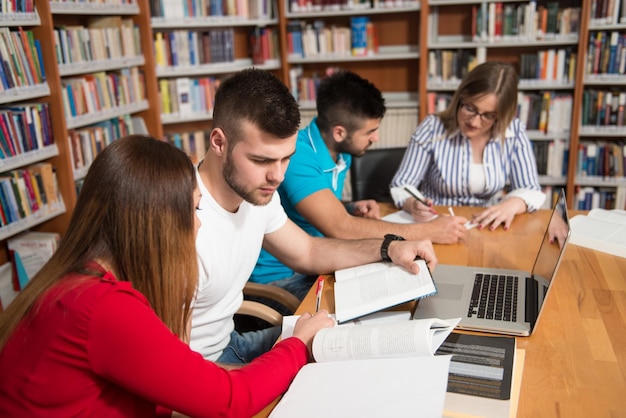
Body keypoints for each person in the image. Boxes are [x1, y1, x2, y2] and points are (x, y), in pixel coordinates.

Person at [0, 135, 335, 417]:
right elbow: (231, 401)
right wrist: (297, 344)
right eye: (193, 209)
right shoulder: (102, 308)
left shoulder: (77, 282)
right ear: (156, 224)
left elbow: (179, 373)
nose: (199, 223)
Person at [190, 68, 438, 364]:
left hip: (231, 342)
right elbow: (174, 373)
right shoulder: (182, 221)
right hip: (205, 365)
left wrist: (390, 247)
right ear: (219, 143)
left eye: (286, 158)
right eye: (262, 160)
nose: (278, 176)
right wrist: (292, 349)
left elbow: (307, 250)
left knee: (373, 339)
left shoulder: (256, 193)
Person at [250, 70, 464, 299]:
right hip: (280, 278)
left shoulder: (342, 152)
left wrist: (348, 206)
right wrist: (430, 231)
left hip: (317, 260)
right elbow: (340, 227)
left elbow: (314, 207)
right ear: (340, 132)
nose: (376, 138)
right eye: (370, 131)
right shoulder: (298, 155)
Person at [390, 61, 546, 231]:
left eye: (488, 115)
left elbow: (531, 189)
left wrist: (511, 204)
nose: (474, 122)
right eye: (470, 108)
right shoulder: (432, 127)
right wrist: (414, 204)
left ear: (501, 115)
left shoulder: (513, 132)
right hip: (437, 225)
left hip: (486, 227)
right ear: (460, 98)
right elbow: (402, 184)